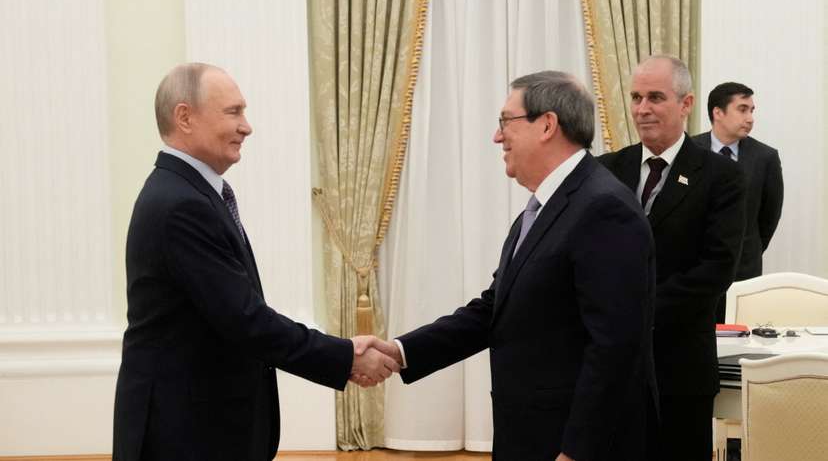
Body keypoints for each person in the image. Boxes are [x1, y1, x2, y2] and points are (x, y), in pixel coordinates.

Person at [112, 63, 399, 461]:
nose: (247, 127)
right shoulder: (181, 204)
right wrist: (344, 356)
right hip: (185, 436)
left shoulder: (189, 193)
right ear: (185, 117)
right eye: (233, 112)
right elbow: (245, 319)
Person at [370, 71, 657, 460]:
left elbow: (615, 347)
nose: (497, 136)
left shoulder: (602, 208)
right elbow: (496, 309)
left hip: (570, 443)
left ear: (547, 125)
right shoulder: (545, 207)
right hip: (529, 433)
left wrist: (577, 451)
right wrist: (401, 352)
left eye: (506, 121)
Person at [598, 56, 746, 460]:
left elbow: (716, 269)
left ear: (686, 104)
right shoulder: (605, 170)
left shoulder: (722, 177)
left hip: (680, 369)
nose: (642, 109)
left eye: (656, 98)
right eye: (636, 97)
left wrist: (637, 314)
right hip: (610, 368)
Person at [693, 82, 784, 322]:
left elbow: (768, 217)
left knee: (740, 343)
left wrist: (749, 249)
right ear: (718, 112)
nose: (750, 118)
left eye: (752, 110)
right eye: (742, 109)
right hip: (692, 268)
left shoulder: (765, 158)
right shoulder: (689, 150)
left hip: (744, 272)